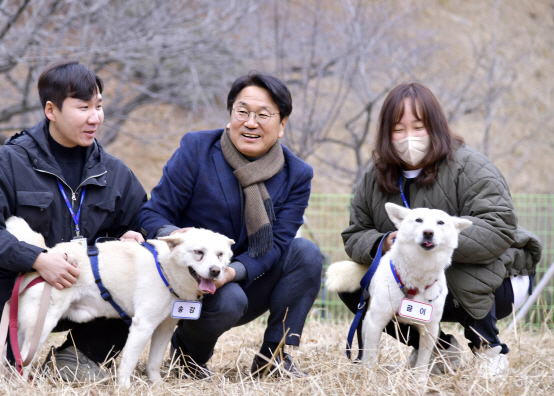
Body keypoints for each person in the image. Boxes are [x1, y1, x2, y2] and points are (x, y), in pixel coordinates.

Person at [0, 61, 148, 381]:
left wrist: (133, 235)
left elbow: (142, 218)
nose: (95, 117)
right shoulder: (7, 162)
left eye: (99, 106)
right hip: (7, 294)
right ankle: (5, 350)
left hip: (87, 292)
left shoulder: (113, 171)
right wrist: (37, 259)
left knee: (141, 301)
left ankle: (76, 358)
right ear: (51, 110)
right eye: (83, 107)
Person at [339, 83, 542, 376]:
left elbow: (499, 227)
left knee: (441, 263)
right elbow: (356, 232)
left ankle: (488, 349)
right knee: (353, 278)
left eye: (418, 126)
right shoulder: (376, 176)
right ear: (386, 133)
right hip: (418, 282)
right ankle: (437, 350)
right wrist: (386, 242)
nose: (409, 137)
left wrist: (440, 239)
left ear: (435, 126)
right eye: (398, 129)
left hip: (503, 278)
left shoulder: (469, 165)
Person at [138, 72, 323, 378]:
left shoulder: (296, 174)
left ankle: (274, 357)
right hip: (190, 278)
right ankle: (188, 358)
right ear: (230, 115)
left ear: (282, 125)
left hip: (250, 274)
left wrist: (233, 271)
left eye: (263, 115)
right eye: (242, 112)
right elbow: (153, 213)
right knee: (229, 300)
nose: (251, 123)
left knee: (306, 253)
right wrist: (175, 237)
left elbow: (277, 244)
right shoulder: (197, 149)